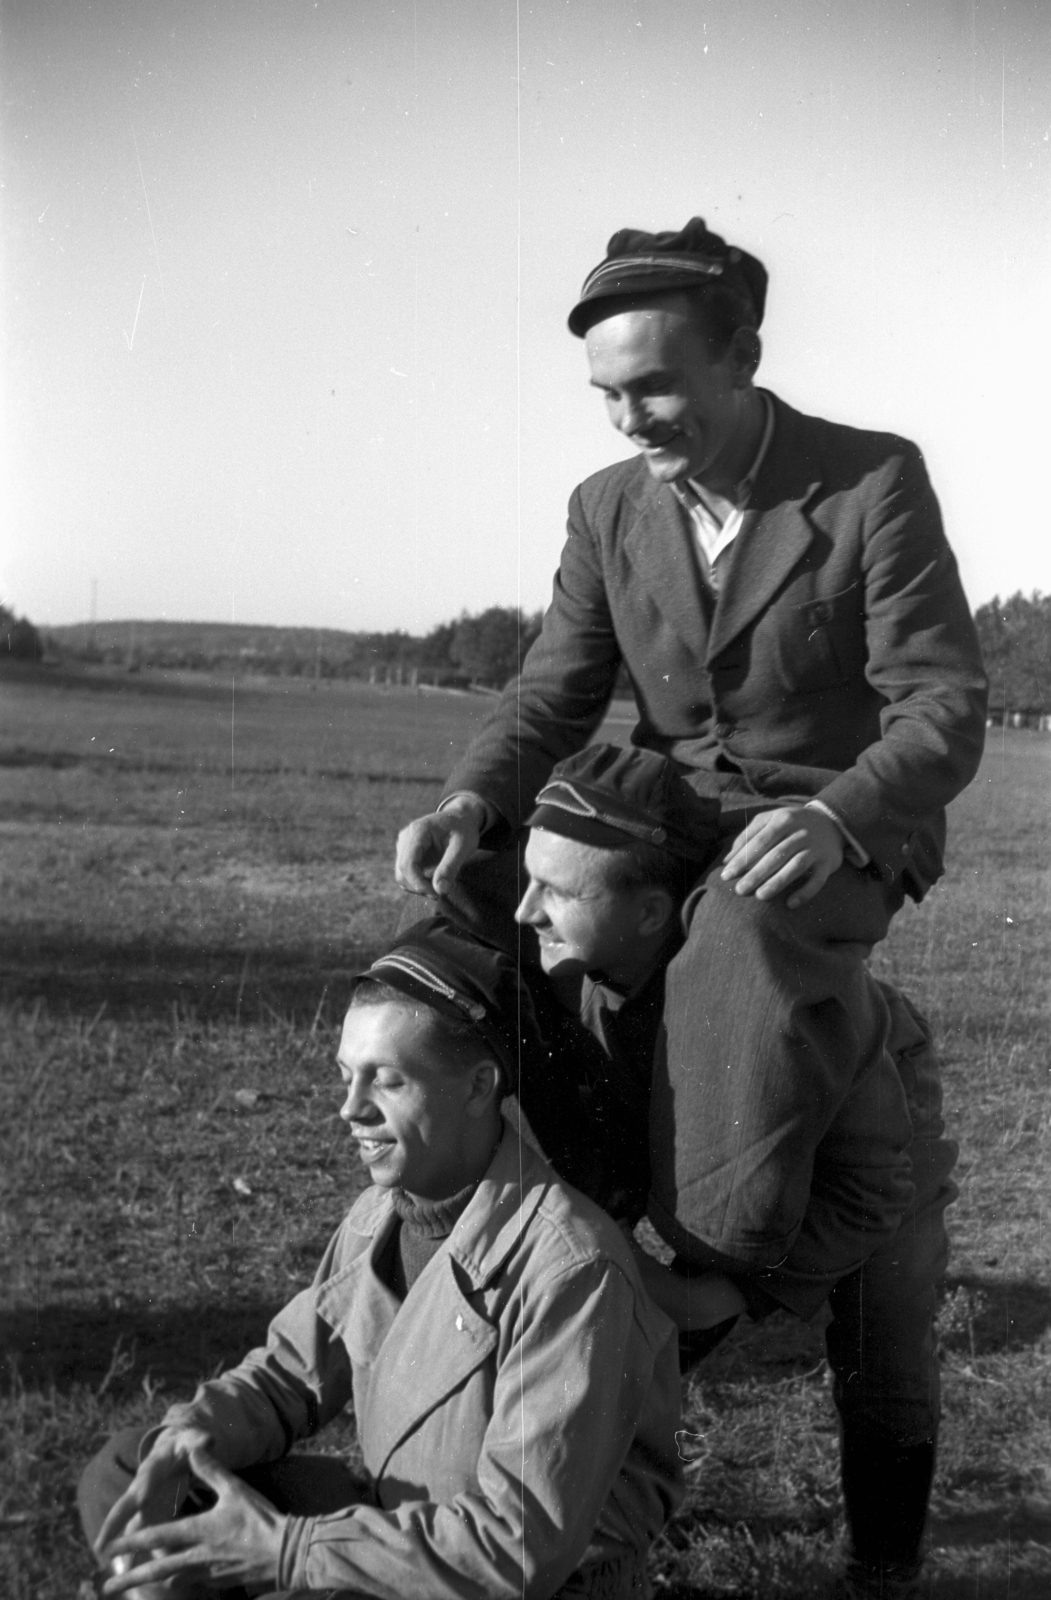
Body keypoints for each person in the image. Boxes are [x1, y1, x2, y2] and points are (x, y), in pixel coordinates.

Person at [394, 218, 987, 1599]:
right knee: (484, 895)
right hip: (658, 825)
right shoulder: (608, 507)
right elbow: (551, 697)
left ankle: (696, 1263)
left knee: (738, 924)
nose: (626, 417)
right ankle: (524, 1206)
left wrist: (839, 811)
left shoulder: (868, 483)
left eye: (651, 386)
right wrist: (472, 806)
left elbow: (943, 706)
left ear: (741, 357)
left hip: (822, 828)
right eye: (604, 395)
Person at [79, 922, 698, 1600]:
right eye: (345, 1076)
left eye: (387, 1081)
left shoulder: (571, 1269)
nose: (349, 1109)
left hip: (521, 1578)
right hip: (414, 1522)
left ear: (478, 1086)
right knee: (130, 1473)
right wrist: (200, 1431)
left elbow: (518, 1548)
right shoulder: (386, 1208)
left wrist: (288, 1552)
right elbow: (292, 1372)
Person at [513, 744, 958, 1597]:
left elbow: (871, 1191)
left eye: (559, 893)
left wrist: (741, 1292)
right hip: (743, 1187)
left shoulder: (784, 1005)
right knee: (637, 1341)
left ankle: (882, 1569)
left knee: (884, 1346)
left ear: (651, 914)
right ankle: (599, 1520)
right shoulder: (595, 970)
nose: (526, 910)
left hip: (873, 1139)